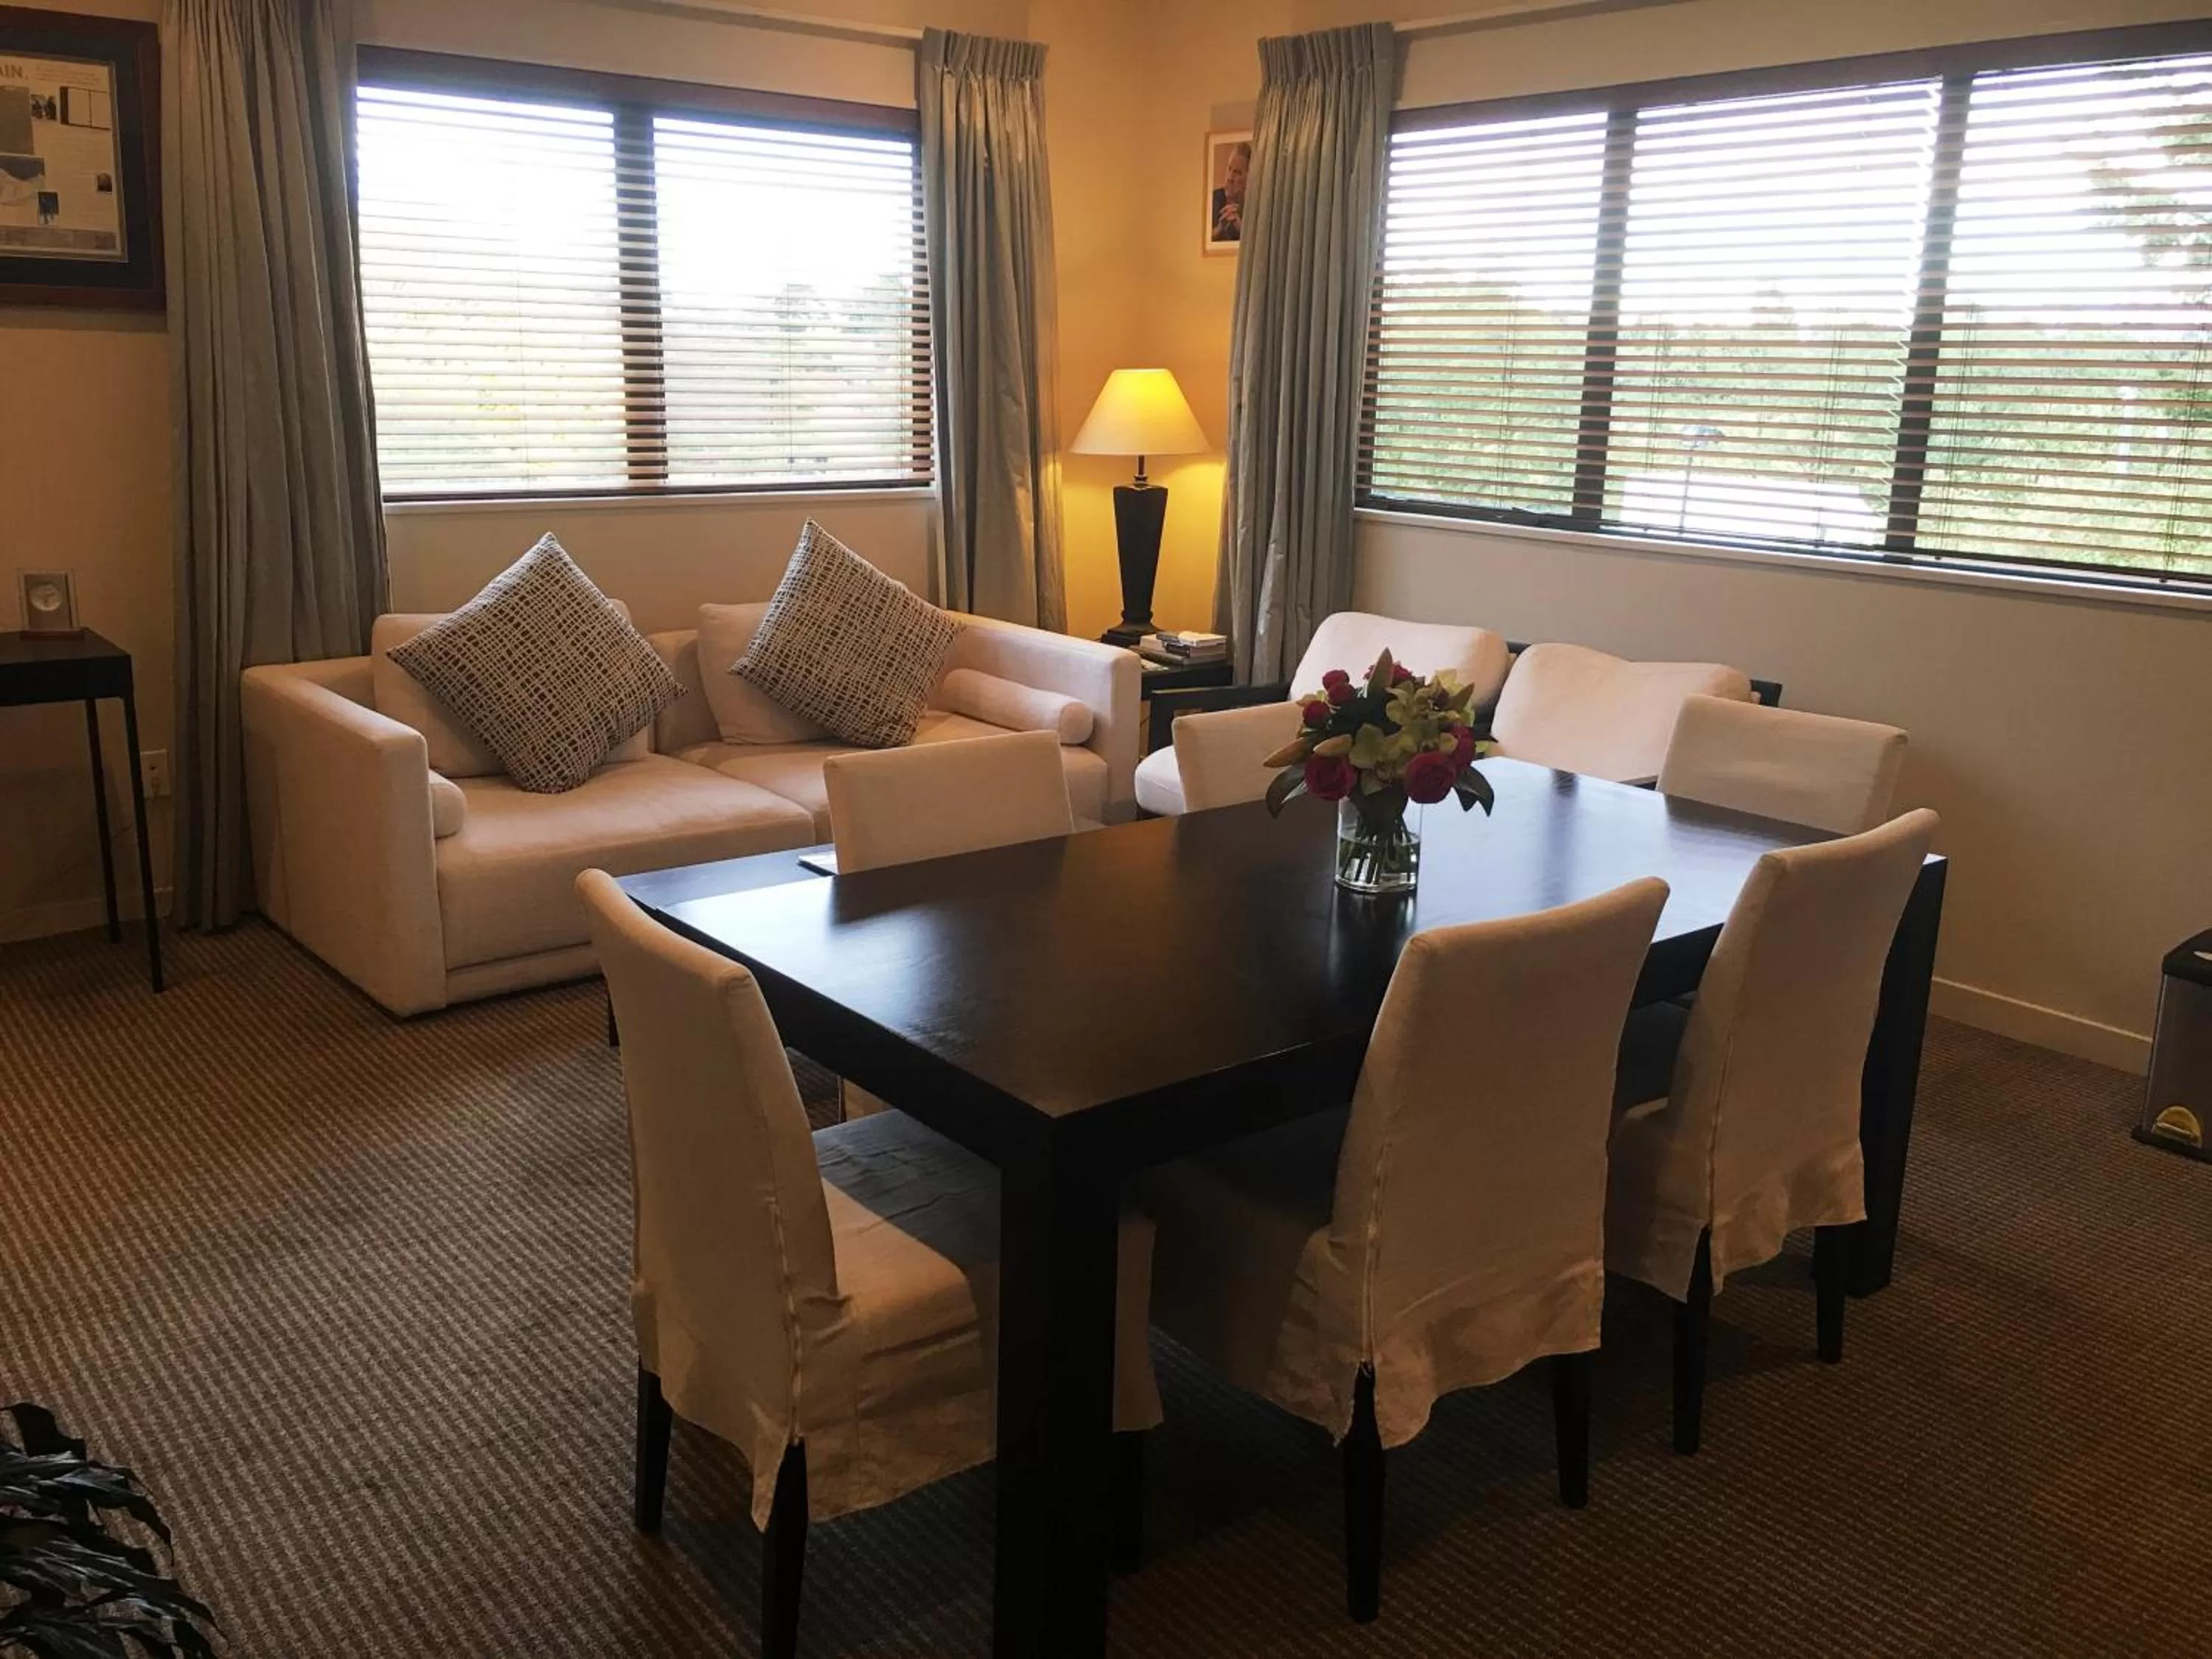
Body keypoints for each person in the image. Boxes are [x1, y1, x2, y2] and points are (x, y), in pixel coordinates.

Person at [1211, 141, 1250, 244]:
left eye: (1237, 172)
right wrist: (1220, 228)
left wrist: (1241, 229)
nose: (1230, 178)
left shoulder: (1254, 208)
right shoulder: (1214, 199)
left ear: (1249, 178)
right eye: (1229, 169)